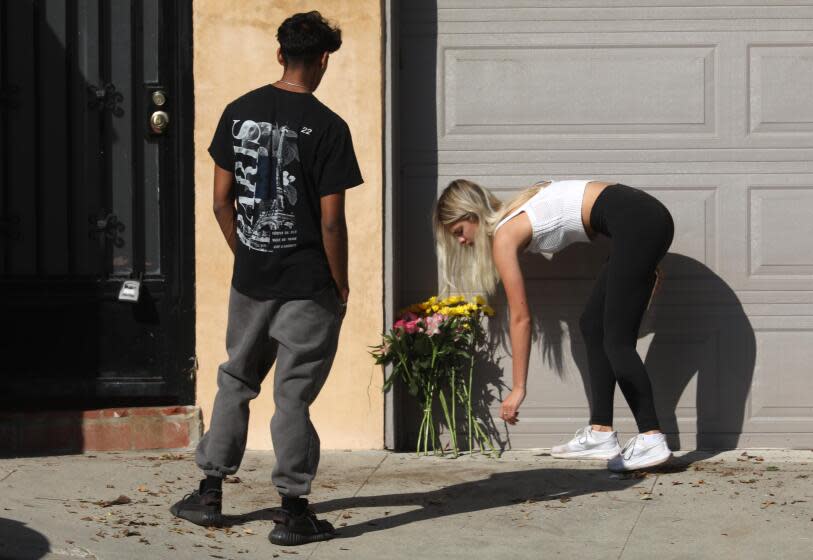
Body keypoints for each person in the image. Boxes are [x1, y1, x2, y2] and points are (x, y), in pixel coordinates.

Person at [170, 11, 363, 546]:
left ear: (280, 54)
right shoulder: (329, 127)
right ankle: (292, 513)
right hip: (308, 285)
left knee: (236, 378)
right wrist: (340, 284)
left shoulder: (237, 113)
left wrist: (246, 252)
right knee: (293, 396)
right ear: (323, 59)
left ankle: (209, 494)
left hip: (251, 279)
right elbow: (331, 220)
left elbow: (219, 202)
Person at [433, 179, 674, 472]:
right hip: (641, 220)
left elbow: (520, 317)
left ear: (472, 214)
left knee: (616, 340)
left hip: (640, 222)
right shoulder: (516, 214)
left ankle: (651, 437)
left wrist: (518, 387)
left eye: (459, 231)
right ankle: (600, 433)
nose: (460, 241)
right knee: (592, 325)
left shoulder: (504, 235)